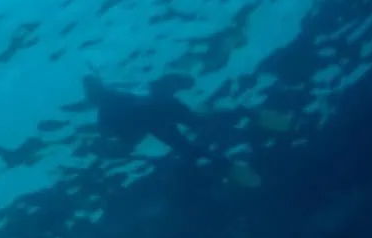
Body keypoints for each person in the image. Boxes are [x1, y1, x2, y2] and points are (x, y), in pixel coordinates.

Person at [81, 75, 260, 186]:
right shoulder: (113, 99)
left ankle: (225, 161)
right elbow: (146, 94)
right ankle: (239, 117)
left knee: (191, 142)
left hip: (156, 116)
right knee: (196, 127)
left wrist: (113, 144)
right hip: (159, 111)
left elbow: (125, 135)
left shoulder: (106, 113)